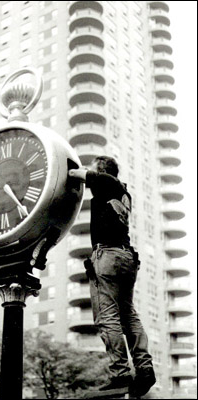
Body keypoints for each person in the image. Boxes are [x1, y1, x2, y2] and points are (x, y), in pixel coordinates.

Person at [69, 156, 156, 397]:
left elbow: (79, 174)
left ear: (103, 170)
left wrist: (70, 172)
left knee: (107, 316)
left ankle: (120, 373)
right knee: (128, 314)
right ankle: (145, 368)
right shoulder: (124, 193)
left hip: (107, 255)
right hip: (127, 257)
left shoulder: (106, 182)